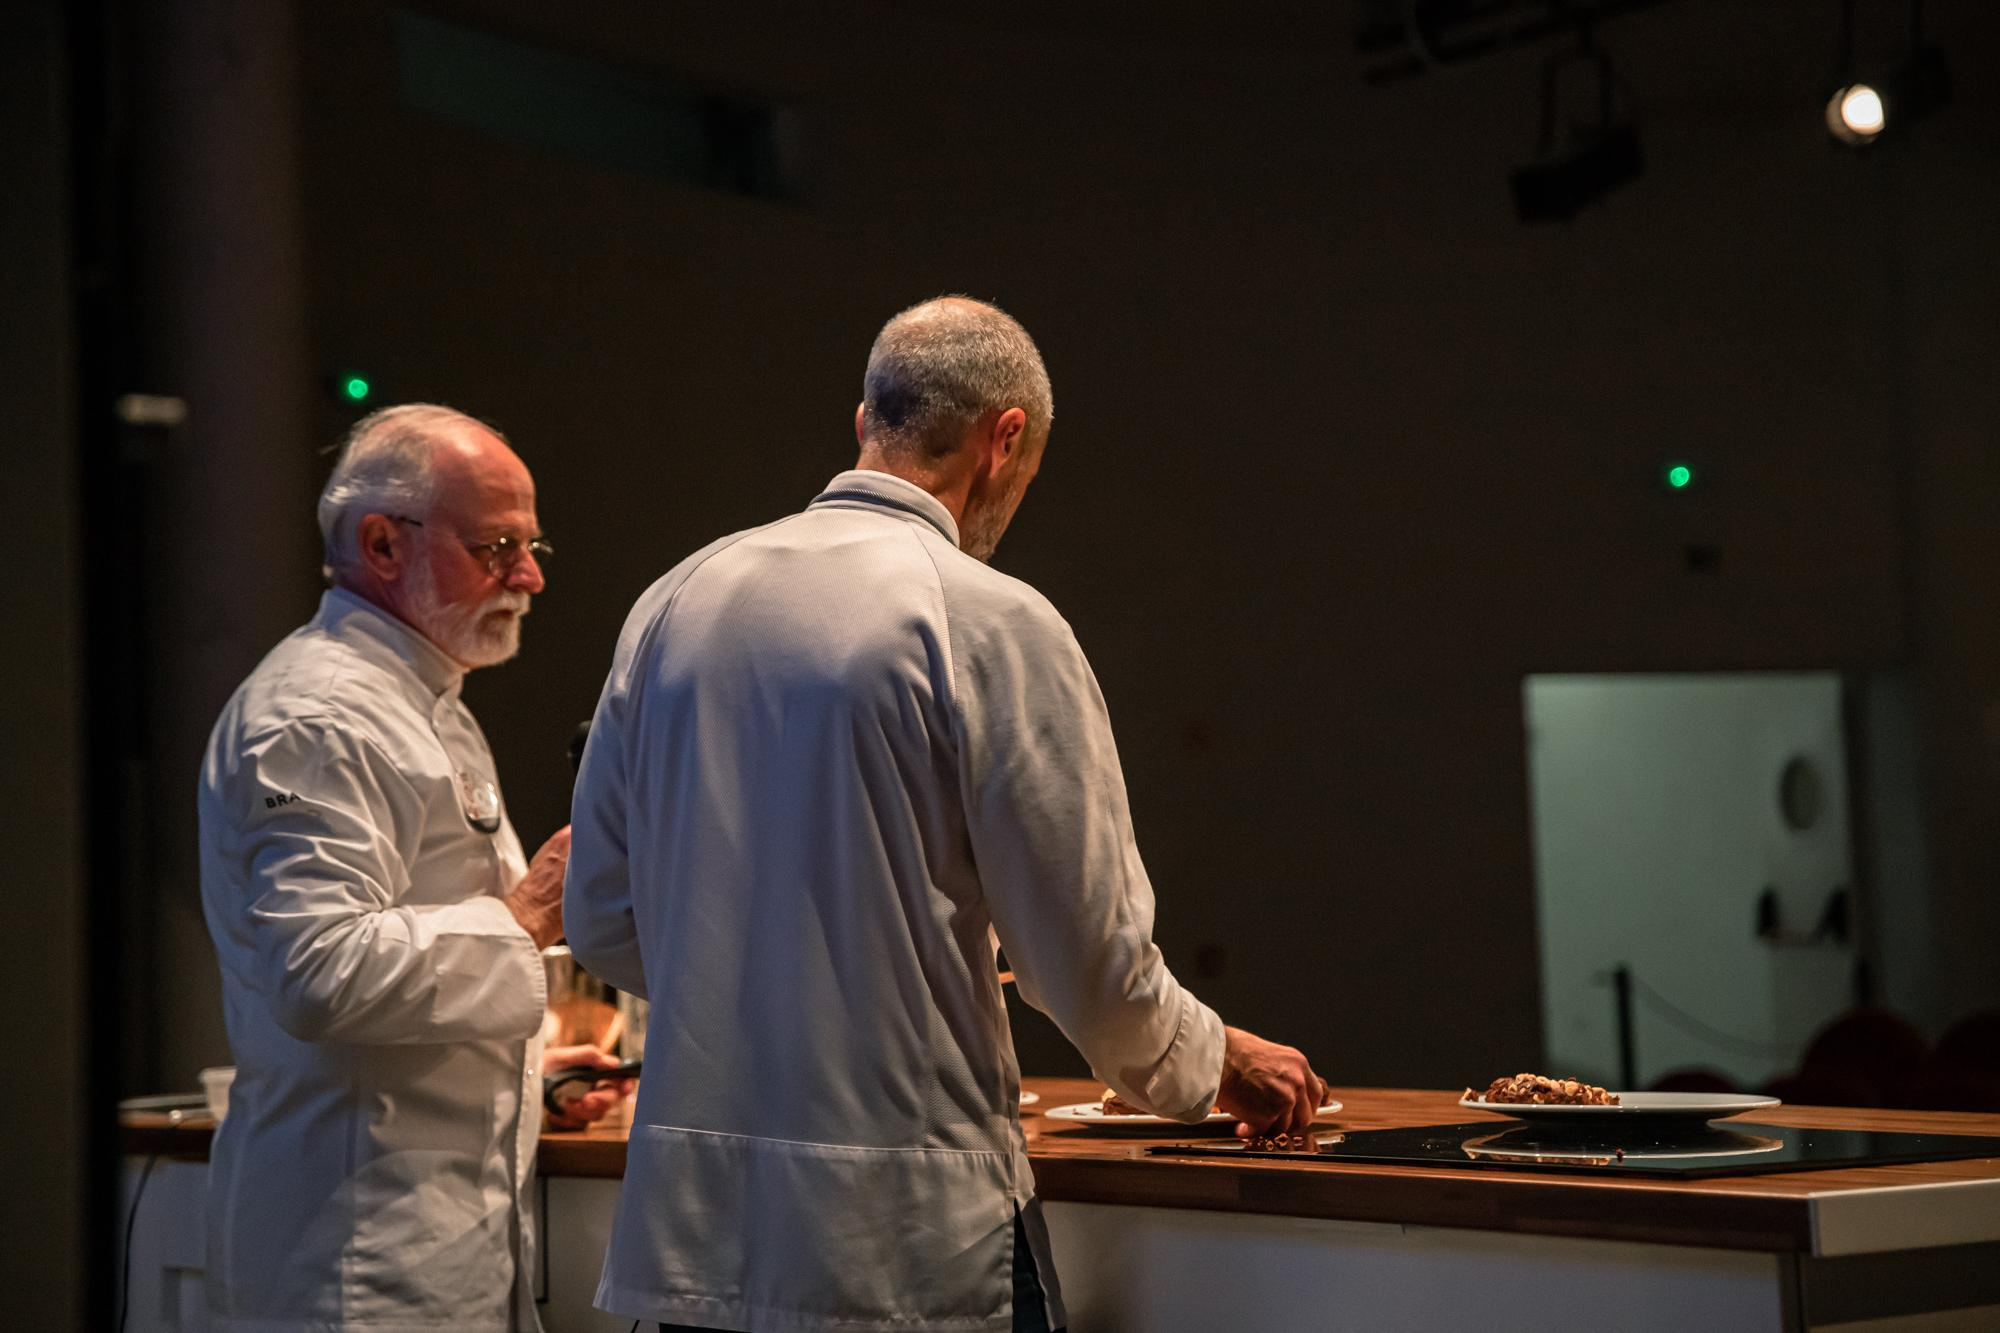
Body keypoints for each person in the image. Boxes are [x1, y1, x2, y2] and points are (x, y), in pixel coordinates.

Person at [566, 297, 1325, 1333]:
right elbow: (1085, 964)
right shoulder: (988, 615)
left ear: (863, 423)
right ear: (1004, 438)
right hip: (899, 1246)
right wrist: (1211, 1061)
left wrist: (772, 984)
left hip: (692, 1243)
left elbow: (605, 920)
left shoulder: (671, 601)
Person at [198, 404, 628, 1332]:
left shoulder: (423, 703)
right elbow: (318, 974)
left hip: (433, 1248)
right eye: (498, 546)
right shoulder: (315, 717)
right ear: (382, 543)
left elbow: (401, 956)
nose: (531, 575)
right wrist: (526, 917)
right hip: (351, 1266)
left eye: (530, 542)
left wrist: (524, 1065)